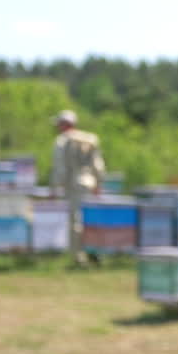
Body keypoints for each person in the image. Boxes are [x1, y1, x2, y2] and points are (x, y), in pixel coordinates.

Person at [49, 110, 105, 265]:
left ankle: (79, 257)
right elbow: (98, 166)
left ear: (64, 125)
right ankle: (94, 252)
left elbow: (59, 168)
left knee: (76, 222)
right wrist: (98, 184)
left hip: (74, 185)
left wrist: (54, 188)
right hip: (89, 184)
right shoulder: (90, 139)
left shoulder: (62, 141)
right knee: (92, 220)